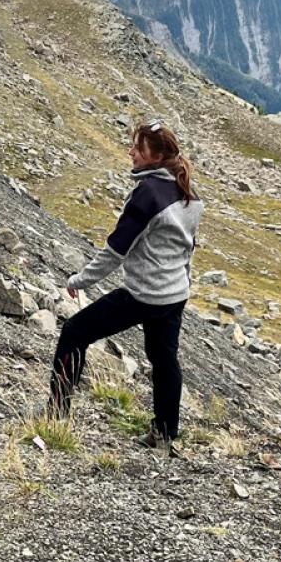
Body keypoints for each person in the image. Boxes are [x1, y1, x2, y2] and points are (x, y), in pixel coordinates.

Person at [49, 123, 204, 448]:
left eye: (139, 148)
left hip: (144, 294)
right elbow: (187, 246)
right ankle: (163, 434)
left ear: (156, 156)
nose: (131, 152)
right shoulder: (187, 188)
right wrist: (182, 283)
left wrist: (80, 280)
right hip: (174, 295)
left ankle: (56, 414)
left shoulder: (147, 194)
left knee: (75, 332)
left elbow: (116, 251)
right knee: (164, 360)